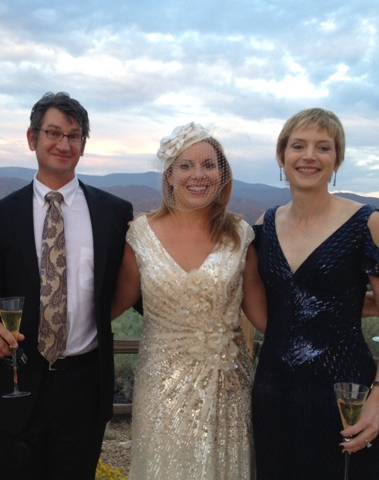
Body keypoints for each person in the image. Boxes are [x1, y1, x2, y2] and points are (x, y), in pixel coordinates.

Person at [0, 91, 133, 480]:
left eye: (74, 136)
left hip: (84, 389)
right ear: (32, 138)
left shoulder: (114, 214)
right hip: (14, 383)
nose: (64, 144)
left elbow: (136, 285)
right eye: (53, 133)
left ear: (83, 144)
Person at [251, 108, 379, 479]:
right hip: (273, 393)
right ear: (281, 156)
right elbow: (259, 307)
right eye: (298, 146)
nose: (309, 156)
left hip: (344, 396)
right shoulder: (263, 226)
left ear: (336, 160)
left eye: (323, 147)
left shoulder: (365, 222)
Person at [112, 122, 266, 479]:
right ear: (169, 175)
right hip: (161, 393)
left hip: (227, 391)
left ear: (222, 174)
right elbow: (112, 304)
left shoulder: (240, 235)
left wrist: (346, 309)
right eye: (186, 165)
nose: (198, 175)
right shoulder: (141, 235)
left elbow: (264, 316)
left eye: (209, 165)